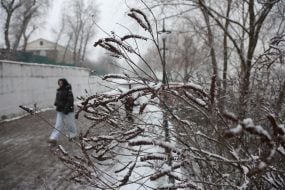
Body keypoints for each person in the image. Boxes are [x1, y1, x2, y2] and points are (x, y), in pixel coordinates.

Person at [48, 78, 77, 145]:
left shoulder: (68, 90)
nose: (60, 84)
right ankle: (53, 138)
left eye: (61, 83)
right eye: (59, 83)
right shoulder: (58, 90)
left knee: (70, 124)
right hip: (60, 110)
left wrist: (66, 109)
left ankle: (73, 135)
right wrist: (56, 103)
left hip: (68, 110)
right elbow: (57, 99)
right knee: (58, 124)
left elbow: (70, 101)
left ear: (64, 83)